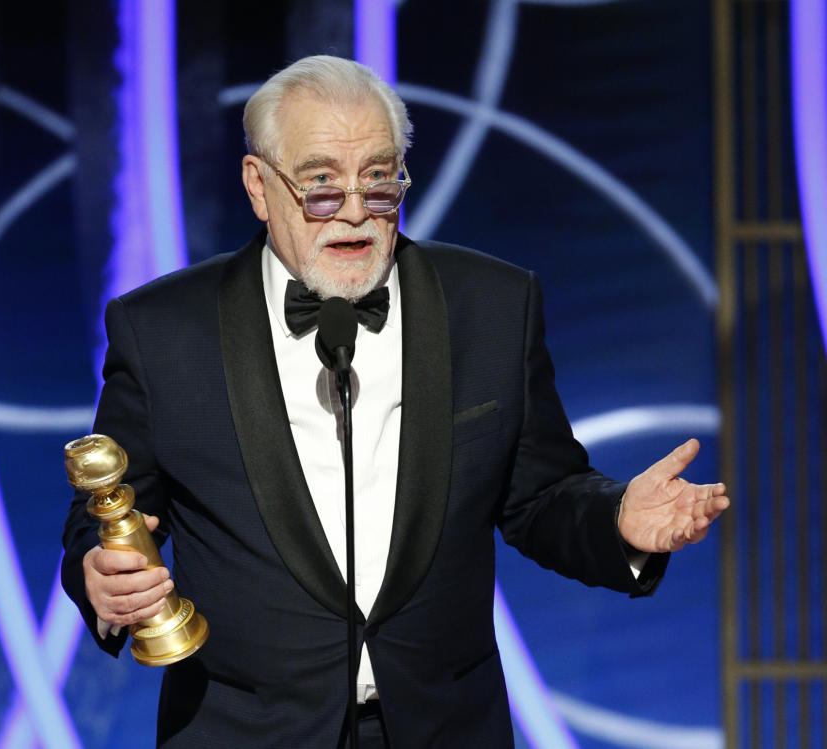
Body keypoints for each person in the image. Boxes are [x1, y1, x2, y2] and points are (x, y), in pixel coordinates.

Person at [61, 55, 729, 748]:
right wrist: (99, 579)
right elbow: (106, 511)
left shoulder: (491, 307)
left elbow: (541, 495)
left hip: (444, 728)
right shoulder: (164, 331)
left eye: (379, 181)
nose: (355, 210)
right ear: (259, 186)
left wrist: (618, 519)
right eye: (321, 185)